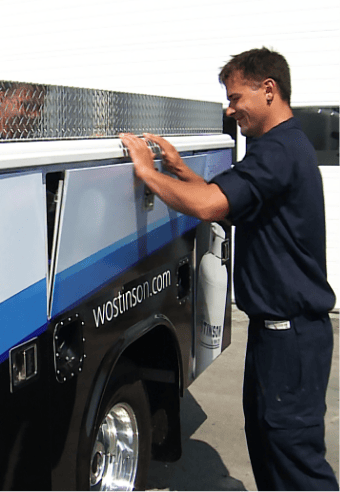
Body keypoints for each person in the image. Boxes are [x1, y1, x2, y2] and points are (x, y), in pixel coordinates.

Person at [120, 47, 338, 491]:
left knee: (295, 459)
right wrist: (178, 169)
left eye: (236, 97)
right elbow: (226, 201)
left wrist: (146, 172)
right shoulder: (279, 149)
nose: (230, 107)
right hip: (276, 335)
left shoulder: (277, 152)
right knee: (267, 446)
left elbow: (206, 207)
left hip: (290, 339)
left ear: (269, 90)